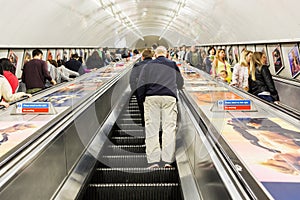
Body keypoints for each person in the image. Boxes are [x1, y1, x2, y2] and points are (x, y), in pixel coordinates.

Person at [137, 46, 184, 168]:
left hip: (152, 97)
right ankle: (167, 161)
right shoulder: (172, 64)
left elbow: (141, 83)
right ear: (166, 54)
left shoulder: (148, 65)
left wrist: (142, 99)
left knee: (152, 129)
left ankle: (153, 161)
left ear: (155, 54)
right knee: (169, 128)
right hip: (169, 97)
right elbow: (180, 82)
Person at [129, 49, 153, 126]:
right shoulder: (157, 65)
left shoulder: (137, 65)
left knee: (143, 112)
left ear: (142, 57)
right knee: (153, 113)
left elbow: (132, 80)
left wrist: (135, 92)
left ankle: (144, 130)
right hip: (154, 92)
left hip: (140, 92)